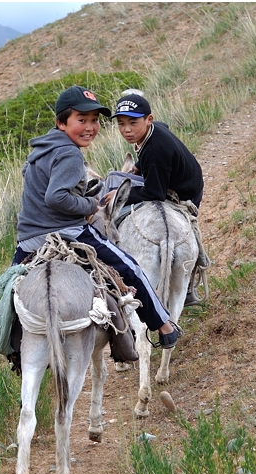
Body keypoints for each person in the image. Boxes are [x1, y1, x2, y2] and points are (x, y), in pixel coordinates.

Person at [12, 85, 179, 351]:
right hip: (64, 231)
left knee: (13, 286)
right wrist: (90, 204)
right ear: (61, 122)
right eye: (81, 120)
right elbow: (56, 198)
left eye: (94, 121)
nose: (90, 127)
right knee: (130, 267)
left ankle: (13, 345)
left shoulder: (41, 149)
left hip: (28, 240)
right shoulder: (68, 152)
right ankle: (163, 326)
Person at [111, 91, 208, 306]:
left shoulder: (155, 149)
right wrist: (139, 166)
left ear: (149, 119)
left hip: (184, 191)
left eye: (133, 123)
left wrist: (119, 196)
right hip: (177, 178)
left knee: (184, 226)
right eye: (121, 123)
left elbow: (155, 193)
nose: (127, 129)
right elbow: (163, 127)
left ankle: (190, 278)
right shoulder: (152, 132)